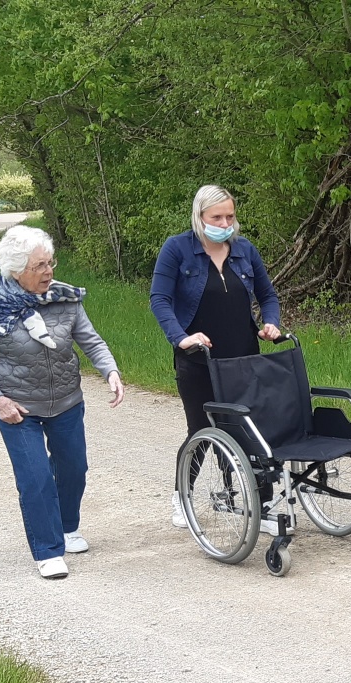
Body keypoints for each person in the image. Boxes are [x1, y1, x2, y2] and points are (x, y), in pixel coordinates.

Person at [0, 225, 125, 579]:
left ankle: (67, 528)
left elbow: (91, 341)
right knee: (35, 477)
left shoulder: (64, 298)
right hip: (18, 408)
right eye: (39, 266)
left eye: (50, 263)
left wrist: (110, 371)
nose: (49, 272)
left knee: (74, 469)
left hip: (66, 400)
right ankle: (48, 550)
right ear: (16, 270)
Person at [149, 184, 283, 531]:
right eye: (217, 217)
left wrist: (271, 323)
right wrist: (181, 338)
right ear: (199, 217)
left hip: (243, 357)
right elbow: (160, 300)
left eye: (230, 216)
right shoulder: (177, 249)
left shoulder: (244, 251)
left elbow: (268, 295)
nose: (225, 223)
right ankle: (182, 496)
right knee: (202, 430)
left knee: (248, 429)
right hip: (199, 360)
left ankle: (252, 501)